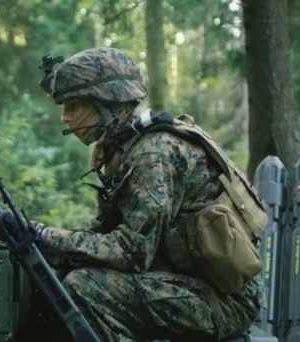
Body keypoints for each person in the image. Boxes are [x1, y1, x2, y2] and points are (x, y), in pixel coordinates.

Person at [36, 47, 266, 341]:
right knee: (61, 272)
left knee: (85, 286)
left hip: (223, 303)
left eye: (74, 106)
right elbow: (105, 235)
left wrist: (42, 233)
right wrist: (37, 239)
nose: (64, 118)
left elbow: (131, 253)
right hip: (186, 285)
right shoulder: (121, 149)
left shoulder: (152, 153)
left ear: (107, 102)